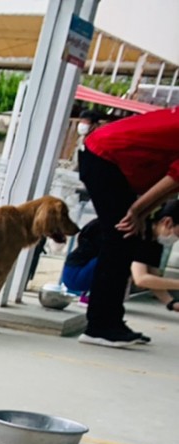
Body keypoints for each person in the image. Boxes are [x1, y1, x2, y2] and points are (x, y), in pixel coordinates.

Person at [77, 105, 179, 347]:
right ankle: (99, 327)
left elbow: (175, 186)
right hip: (105, 157)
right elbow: (175, 178)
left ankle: (111, 321)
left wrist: (143, 212)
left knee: (128, 238)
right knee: (119, 238)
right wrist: (135, 210)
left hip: (111, 160)